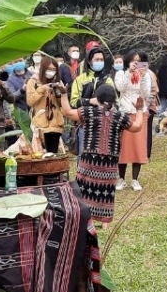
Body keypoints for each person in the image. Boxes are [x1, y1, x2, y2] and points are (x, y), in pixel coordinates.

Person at [61, 84, 146, 223]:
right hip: (109, 161)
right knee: (106, 190)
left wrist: (64, 94)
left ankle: (83, 216)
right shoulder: (119, 116)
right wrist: (139, 110)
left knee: (84, 189)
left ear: (97, 98)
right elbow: (137, 127)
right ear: (114, 99)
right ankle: (105, 221)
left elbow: (68, 112)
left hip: (89, 160)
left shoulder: (88, 112)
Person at [115, 51, 153, 190]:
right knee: (123, 146)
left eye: (139, 61)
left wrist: (142, 77)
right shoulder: (121, 73)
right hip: (125, 112)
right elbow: (120, 88)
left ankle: (135, 179)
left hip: (139, 112)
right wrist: (128, 73)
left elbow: (145, 94)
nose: (136, 64)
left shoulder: (146, 75)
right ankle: (121, 178)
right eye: (133, 61)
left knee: (138, 147)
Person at [26, 56, 67, 154]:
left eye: (54, 70)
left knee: (52, 155)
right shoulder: (33, 81)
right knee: (40, 155)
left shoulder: (58, 82)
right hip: (40, 125)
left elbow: (61, 105)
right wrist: (42, 89)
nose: (51, 72)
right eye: (49, 69)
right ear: (43, 69)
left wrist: (62, 93)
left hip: (55, 124)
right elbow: (30, 101)